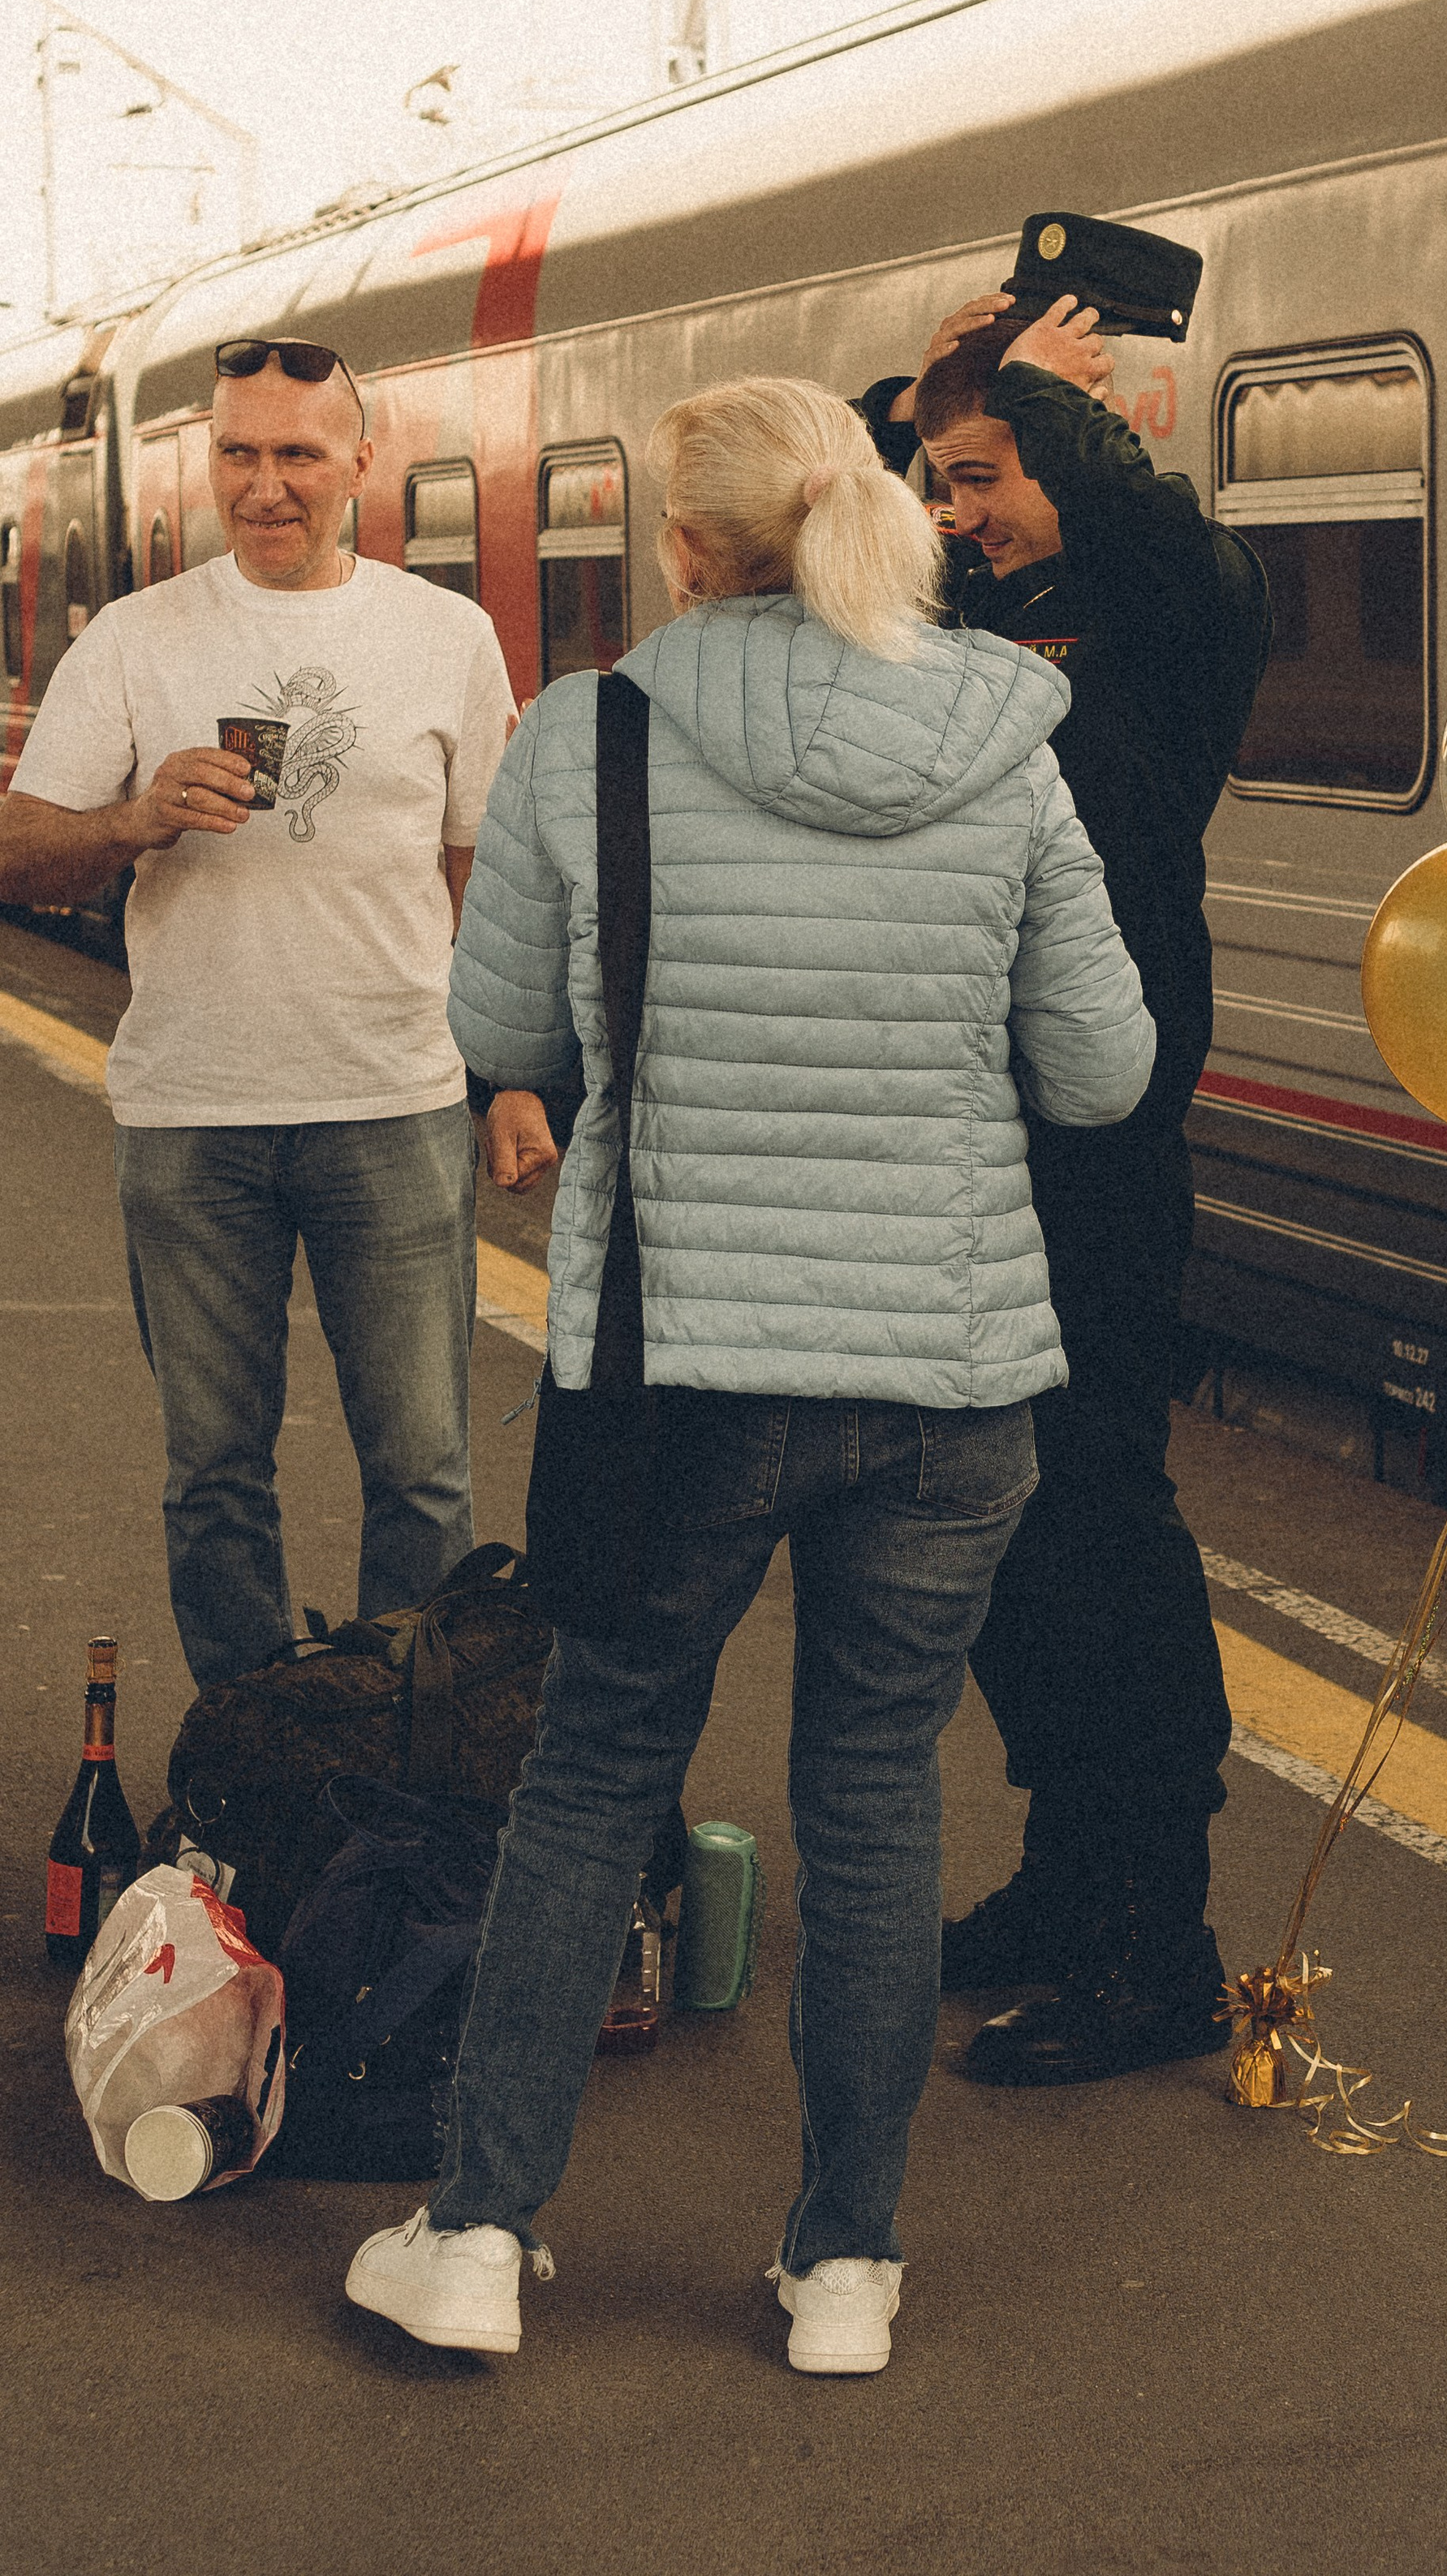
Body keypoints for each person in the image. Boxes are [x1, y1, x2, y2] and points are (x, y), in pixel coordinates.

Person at [343, 372, 1153, 2374]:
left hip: (678, 1366)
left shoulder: (590, 733)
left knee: (593, 1780)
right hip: (945, 1376)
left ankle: (473, 2238)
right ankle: (845, 2271)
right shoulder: (1007, 738)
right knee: (874, 1802)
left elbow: (502, 1024)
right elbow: (1101, 1071)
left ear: (684, 546)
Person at [855, 219, 1269, 2090]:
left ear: (1072, 464)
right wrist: (920, 415)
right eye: (943, 490)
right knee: (1003, 1532)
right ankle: (1060, 1866)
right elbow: (844, 575)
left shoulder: (1176, 627)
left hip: (1099, 1157)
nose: (962, 514)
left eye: (987, 480)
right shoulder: (970, 629)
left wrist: (1035, 401)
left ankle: (1150, 1938)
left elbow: (1145, 529)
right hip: (972, 1142)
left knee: (1099, 1521)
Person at [0, 337, 515, 1688]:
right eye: (240, 453)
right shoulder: (138, 637)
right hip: (190, 1113)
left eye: (298, 454)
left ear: (361, 461)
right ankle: (259, 1750)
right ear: (209, 463)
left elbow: (484, 877)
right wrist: (130, 819)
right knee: (214, 1472)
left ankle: (400, 1748)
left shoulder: (445, 637)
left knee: (423, 1470)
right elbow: (20, 850)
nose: (266, 484)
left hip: (392, 1101)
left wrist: (507, 1071)